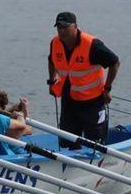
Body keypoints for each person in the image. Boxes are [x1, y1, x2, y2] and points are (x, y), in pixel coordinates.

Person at [47, 12, 120, 149]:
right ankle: (68, 164)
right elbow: (51, 60)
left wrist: (107, 88)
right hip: (69, 99)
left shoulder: (92, 45)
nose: (61, 31)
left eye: (65, 27)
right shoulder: (55, 42)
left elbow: (114, 62)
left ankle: (97, 164)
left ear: (75, 27)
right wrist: (52, 81)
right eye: (59, 27)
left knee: (95, 142)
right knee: (68, 141)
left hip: (92, 101)